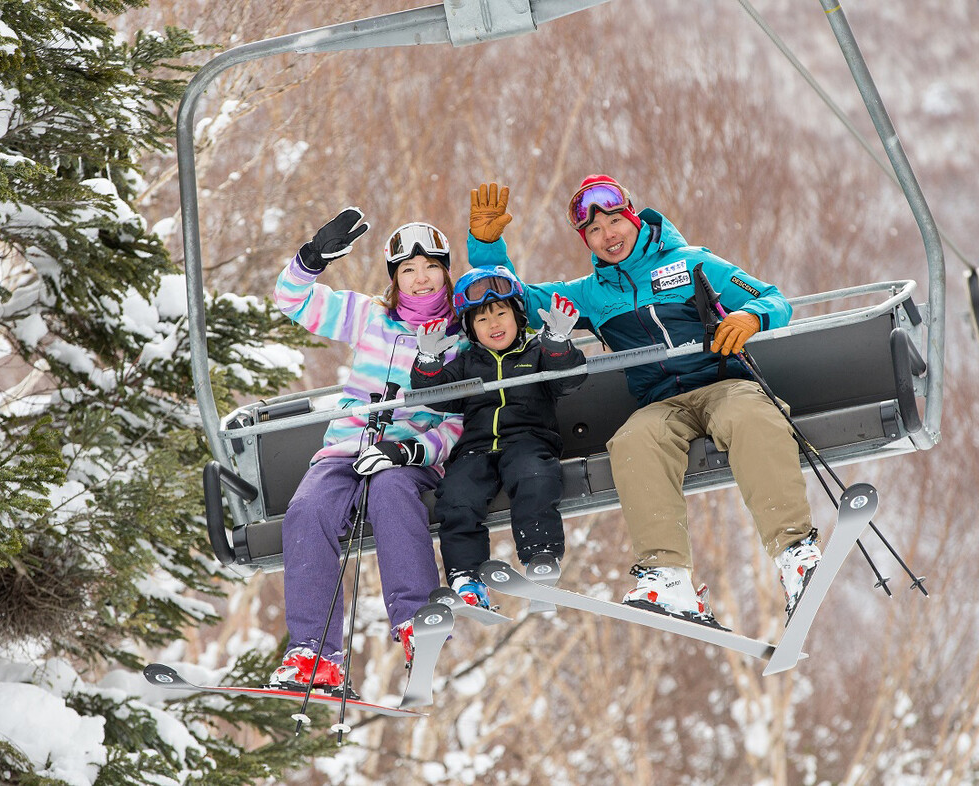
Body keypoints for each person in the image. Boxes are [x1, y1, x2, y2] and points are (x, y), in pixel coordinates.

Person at [465, 179, 821, 628]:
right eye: (595, 231)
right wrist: (487, 246)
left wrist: (751, 317)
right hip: (661, 403)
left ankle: (794, 550)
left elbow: (773, 299)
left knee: (750, 414)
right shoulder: (591, 294)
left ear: (633, 217)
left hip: (721, 384)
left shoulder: (693, 263)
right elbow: (516, 299)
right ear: (586, 241)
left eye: (615, 221)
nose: (608, 235)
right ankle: (668, 575)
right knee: (633, 439)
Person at [268, 208, 465, 695]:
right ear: (395, 280)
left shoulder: (460, 337)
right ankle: (315, 654)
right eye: (408, 271)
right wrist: (312, 260)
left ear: (445, 272)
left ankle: (418, 621)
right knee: (308, 508)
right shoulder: (371, 317)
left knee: (392, 491)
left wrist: (410, 452)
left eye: (430, 268)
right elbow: (290, 299)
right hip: (347, 449)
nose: (421, 280)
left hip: (410, 459)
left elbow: (457, 421)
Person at [409, 266, 587, 609]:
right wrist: (428, 360)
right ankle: (466, 576)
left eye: (501, 313)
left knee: (534, 477)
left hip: (529, 441)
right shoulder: (467, 363)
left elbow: (567, 380)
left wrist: (558, 344)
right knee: (456, 495)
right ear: (471, 330)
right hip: (476, 449)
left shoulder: (536, 354)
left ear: (518, 316)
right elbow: (436, 396)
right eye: (482, 320)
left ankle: (540, 557)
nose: (494, 324)